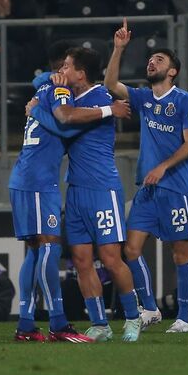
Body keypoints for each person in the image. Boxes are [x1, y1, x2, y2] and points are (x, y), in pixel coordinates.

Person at [8, 42, 125, 343]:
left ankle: (26, 324)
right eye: (63, 66)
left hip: (28, 177)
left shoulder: (44, 87)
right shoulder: (60, 91)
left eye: (66, 67)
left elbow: (39, 83)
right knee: (48, 248)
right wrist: (108, 110)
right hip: (37, 179)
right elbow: (66, 122)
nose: (63, 71)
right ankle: (58, 323)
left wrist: (36, 108)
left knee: (37, 249)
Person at [106, 21, 188, 332]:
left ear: (173, 71)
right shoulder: (144, 98)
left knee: (180, 254)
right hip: (147, 189)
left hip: (175, 187)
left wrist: (162, 166)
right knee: (131, 250)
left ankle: (183, 318)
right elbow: (111, 83)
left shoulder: (184, 100)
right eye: (150, 59)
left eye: (159, 60)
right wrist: (118, 49)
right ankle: (150, 308)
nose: (152, 62)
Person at [49, 46, 145, 341]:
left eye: (67, 66)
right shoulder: (68, 96)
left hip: (103, 189)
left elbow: (71, 117)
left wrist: (118, 50)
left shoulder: (102, 96)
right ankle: (100, 323)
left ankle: (133, 317)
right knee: (80, 260)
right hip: (75, 190)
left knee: (111, 258)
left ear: (81, 73)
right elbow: (62, 109)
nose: (62, 70)